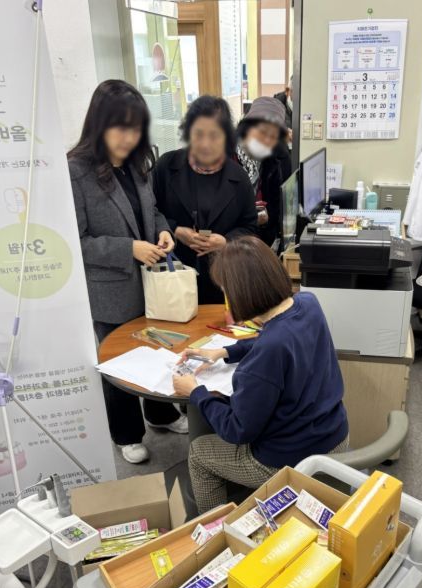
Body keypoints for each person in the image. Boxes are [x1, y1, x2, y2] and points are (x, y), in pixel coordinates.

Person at [172, 236, 349, 513]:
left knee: (199, 454)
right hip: (335, 436)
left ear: (240, 293)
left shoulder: (267, 354)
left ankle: (215, 529)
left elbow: (237, 430)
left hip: (290, 459)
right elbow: (280, 339)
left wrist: (196, 392)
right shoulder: (307, 303)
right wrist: (225, 351)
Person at [68, 79, 187, 465]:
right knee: (118, 364)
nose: (128, 137)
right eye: (120, 128)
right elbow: (77, 241)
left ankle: (161, 414)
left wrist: (163, 231)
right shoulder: (76, 171)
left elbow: (151, 211)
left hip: (149, 285)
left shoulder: (138, 165)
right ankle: (125, 434)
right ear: (99, 124)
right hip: (110, 289)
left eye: (135, 128)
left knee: (157, 351)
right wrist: (129, 249)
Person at [153, 95, 257, 303]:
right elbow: (151, 212)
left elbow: (250, 227)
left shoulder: (238, 177)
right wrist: (175, 231)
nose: (205, 143)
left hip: (224, 280)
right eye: (198, 134)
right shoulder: (166, 166)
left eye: (214, 135)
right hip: (174, 278)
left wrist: (225, 242)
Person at [235, 97, 292, 246]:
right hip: (229, 237)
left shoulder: (279, 155)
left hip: (263, 236)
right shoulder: (226, 154)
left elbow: (280, 202)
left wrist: (267, 220)